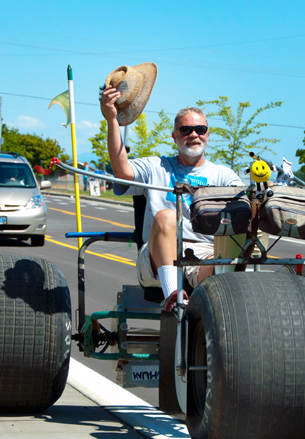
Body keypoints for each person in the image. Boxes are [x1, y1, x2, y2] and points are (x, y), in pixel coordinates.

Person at [100, 87, 243, 311]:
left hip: (205, 253)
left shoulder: (223, 175)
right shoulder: (155, 166)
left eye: (200, 129)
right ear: (175, 136)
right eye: (186, 130)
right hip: (158, 254)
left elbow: (245, 204)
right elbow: (122, 170)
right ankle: (173, 301)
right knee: (167, 216)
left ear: (207, 134)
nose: (193, 135)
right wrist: (112, 120)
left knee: (234, 253)